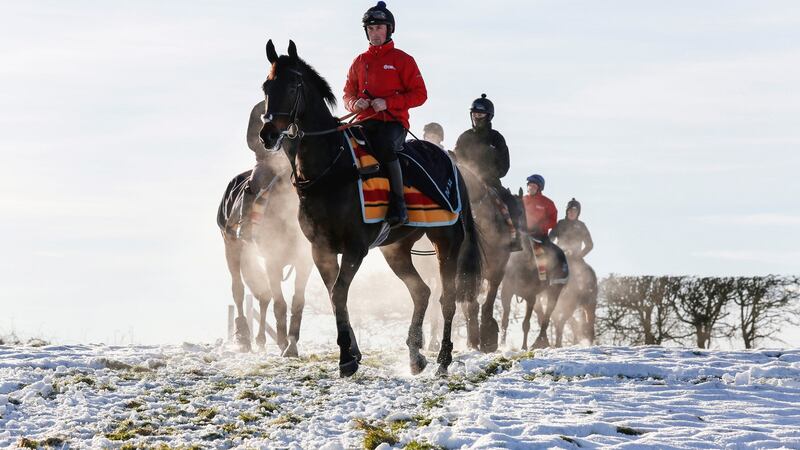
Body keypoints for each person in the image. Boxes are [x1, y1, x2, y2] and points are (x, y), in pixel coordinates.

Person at [343, 1, 428, 228]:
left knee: (383, 144)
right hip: (363, 122)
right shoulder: (359, 61)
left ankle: (399, 205)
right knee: (339, 144)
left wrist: (388, 102)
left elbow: (420, 95)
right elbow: (346, 95)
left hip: (393, 124)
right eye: (370, 29)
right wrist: (354, 103)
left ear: (389, 29)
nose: (375, 33)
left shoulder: (403, 60)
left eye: (379, 28)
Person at [454, 93, 522, 250]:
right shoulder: (464, 137)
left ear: (489, 116)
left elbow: (504, 165)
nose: (477, 117)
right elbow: (457, 160)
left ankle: (514, 238)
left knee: (512, 203)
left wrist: (490, 175)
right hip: (466, 184)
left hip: (491, 183)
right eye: (475, 113)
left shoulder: (496, 138)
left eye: (481, 114)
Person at [238, 100, 290, 241]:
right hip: (267, 161)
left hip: (292, 161)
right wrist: (271, 153)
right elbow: (252, 140)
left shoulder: (295, 104)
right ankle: (246, 224)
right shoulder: (260, 109)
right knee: (255, 181)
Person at [522, 174, 559, 280]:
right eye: (530, 185)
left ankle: (544, 279)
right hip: (523, 234)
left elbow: (553, 221)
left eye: (534, 186)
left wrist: (541, 226)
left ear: (539, 188)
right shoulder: (522, 200)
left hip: (540, 236)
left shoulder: (547, 203)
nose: (531, 188)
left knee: (544, 254)